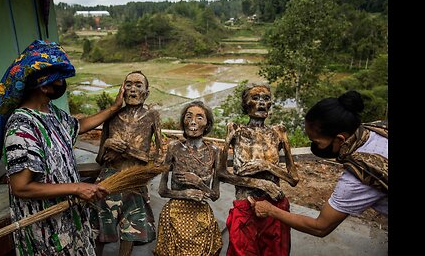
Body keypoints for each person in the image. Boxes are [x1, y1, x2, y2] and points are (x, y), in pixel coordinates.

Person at [0, 39, 124, 255]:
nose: (62, 85)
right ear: (43, 84)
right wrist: (77, 187)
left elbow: (79, 125)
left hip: (68, 217)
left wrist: (113, 108)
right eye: (59, 80)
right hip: (46, 228)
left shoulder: (52, 113)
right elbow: (21, 187)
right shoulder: (21, 126)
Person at [248, 90, 388, 238]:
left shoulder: (361, 176)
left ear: (340, 139)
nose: (314, 147)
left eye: (317, 142)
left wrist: (271, 210)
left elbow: (320, 227)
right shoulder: (378, 129)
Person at [218, 83, 299, 256]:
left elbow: (293, 178)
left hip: (275, 206)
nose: (261, 103)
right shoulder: (235, 130)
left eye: (266, 98)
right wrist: (261, 183)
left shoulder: (279, 131)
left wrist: (266, 165)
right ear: (246, 103)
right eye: (255, 98)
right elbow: (221, 173)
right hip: (246, 205)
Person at [92, 70, 164, 256]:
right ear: (122, 90)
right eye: (129, 84)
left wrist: (127, 151)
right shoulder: (112, 115)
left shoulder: (152, 116)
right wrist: (107, 144)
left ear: (146, 93)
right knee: (100, 225)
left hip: (133, 179)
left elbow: (159, 158)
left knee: (131, 228)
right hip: (109, 178)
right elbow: (100, 158)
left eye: (138, 85)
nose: (133, 90)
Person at [154, 101, 222, 256]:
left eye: (199, 117)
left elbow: (215, 196)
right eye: (189, 116)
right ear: (183, 121)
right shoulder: (174, 147)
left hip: (201, 216)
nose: (193, 121)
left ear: (207, 123)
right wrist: (184, 194)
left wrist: (198, 183)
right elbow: (162, 191)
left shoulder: (215, 152)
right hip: (174, 215)